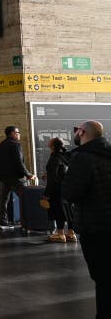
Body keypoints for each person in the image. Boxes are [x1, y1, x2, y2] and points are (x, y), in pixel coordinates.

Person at [63, 120, 111, 318]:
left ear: (82, 132)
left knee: (103, 279)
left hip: (95, 227)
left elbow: (70, 193)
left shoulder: (82, 158)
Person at [0, 125, 34, 230]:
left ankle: (3, 222)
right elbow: (19, 162)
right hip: (16, 178)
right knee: (25, 198)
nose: (19, 134)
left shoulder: (1, 144)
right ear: (12, 133)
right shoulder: (15, 145)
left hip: (4, 178)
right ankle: (27, 221)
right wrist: (28, 174)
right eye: (17, 132)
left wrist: (0, 176)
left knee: (3, 200)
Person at [43, 137, 75, 243]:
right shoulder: (66, 156)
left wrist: (46, 194)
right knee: (69, 210)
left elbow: (53, 179)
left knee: (59, 210)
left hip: (58, 189)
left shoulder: (54, 158)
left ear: (52, 146)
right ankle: (71, 233)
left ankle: (60, 234)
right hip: (69, 187)